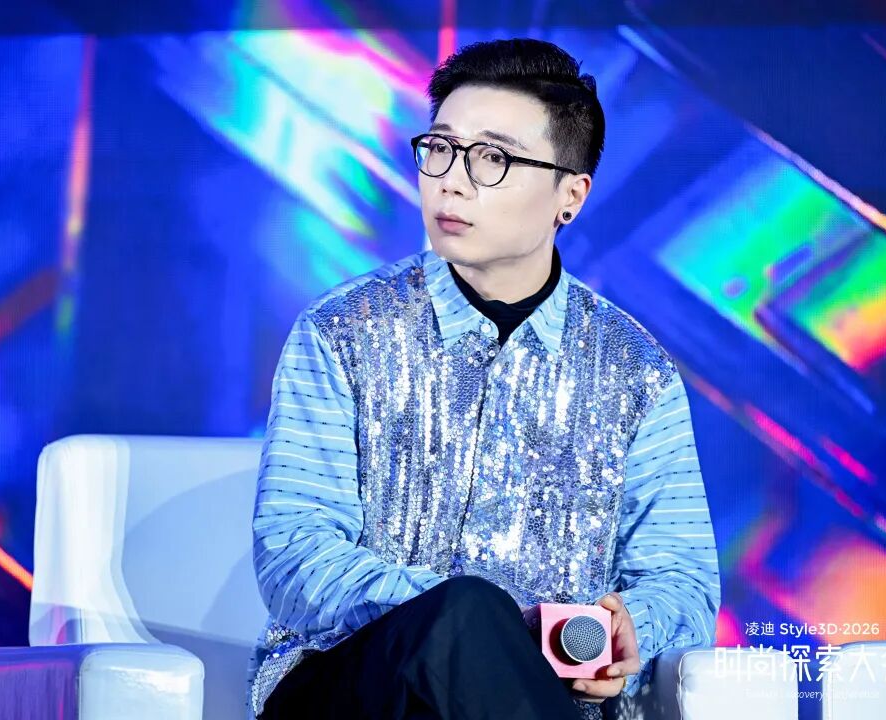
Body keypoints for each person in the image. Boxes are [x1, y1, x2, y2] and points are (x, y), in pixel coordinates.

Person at [246, 37, 720, 720]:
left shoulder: (635, 371)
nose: (451, 180)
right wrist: (489, 624)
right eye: (440, 148)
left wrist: (629, 627)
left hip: (553, 698)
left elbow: (684, 581)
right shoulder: (341, 331)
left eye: (492, 159)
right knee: (466, 612)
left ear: (570, 196)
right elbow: (295, 553)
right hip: (353, 686)